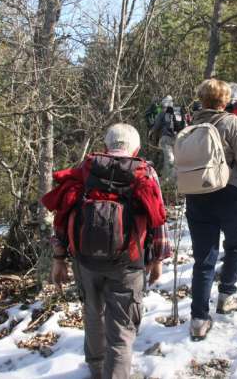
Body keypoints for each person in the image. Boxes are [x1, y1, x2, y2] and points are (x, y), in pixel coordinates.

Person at [44, 124, 171, 379]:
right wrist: (157, 258)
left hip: (86, 261)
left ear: (106, 146)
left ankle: (97, 369)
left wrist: (59, 258)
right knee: (121, 328)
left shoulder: (86, 169)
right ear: (136, 149)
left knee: (93, 314)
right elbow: (157, 218)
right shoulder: (144, 172)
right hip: (128, 262)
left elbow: (63, 214)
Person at [185, 79, 237, 341]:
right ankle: (226, 296)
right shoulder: (232, 123)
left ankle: (198, 319)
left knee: (203, 259)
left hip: (197, 197)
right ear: (225, 100)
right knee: (236, 245)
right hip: (231, 195)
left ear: (202, 99)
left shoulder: (190, 127)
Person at [150, 95, 187, 181]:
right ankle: (175, 178)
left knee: (169, 159)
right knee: (174, 159)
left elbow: (156, 126)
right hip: (178, 138)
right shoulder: (177, 112)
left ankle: (168, 180)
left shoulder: (162, 113)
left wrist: (151, 133)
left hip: (166, 138)